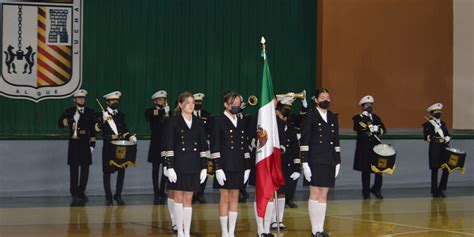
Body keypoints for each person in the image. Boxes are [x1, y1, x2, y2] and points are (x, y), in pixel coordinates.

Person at [163, 91, 209, 237]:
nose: (191, 105)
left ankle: (187, 231)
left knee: (188, 199)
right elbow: (169, 145)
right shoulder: (173, 121)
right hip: (178, 165)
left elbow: (203, 146)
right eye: (188, 103)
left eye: (193, 103)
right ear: (180, 105)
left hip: (194, 165)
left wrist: (204, 167)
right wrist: (169, 167)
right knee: (178, 198)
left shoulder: (199, 122)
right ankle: (180, 230)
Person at [300, 88, 341, 237]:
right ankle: (314, 229)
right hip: (314, 160)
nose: (326, 100)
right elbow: (304, 141)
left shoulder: (333, 117)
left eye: (328, 97)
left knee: (324, 194)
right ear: (316, 100)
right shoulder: (310, 116)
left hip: (329, 160)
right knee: (315, 193)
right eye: (322, 97)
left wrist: (338, 161)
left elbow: (336, 141)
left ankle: (320, 229)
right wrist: (304, 163)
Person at [210, 91, 251, 237]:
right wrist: (218, 168)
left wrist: (247, 166)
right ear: (226, 105)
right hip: (224, 164)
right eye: (233, 103)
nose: (236, 106)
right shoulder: (218, 120)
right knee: (224, 197)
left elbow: (244, 144)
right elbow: (214, 145)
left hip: (239, 165)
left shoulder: (241, 121)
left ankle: (232, 231)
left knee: (235, 196)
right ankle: (224, 231)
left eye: (238, 103)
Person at [96, 91, 137, 206]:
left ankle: (118, 195)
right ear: (107, 102)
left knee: (121, 170)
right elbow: (96, 129)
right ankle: (108, 197)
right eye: (113, 100)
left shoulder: (121, 115)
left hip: (120, 146)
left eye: (116, 100)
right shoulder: (101, 114)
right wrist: (102, 121)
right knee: (107, 172)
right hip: (109, 146)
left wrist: (130, 137)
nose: (115, 102)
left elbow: (124, 130)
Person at [58, 89, 96, 205]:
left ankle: (81, 191)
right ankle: (74, 192)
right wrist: (71, 120)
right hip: (74, 143)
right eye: (79, 98)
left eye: (83, 98)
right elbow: (59, 123)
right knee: (74, 169)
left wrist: (92, 144)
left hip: (85, 142)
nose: (81, 100)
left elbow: (93, 130)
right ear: (74, 100)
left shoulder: (90, 112)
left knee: (85, 169)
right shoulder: (69, 111)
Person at [270, 96, 301, 230]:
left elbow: (295, 148)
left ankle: (279, 219)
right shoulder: (271, 126)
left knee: (282, 192)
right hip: (273, 163)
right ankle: (271, 219)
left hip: (286, 164)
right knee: (272, 192)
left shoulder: (290, 128)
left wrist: (296, 167)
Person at [352, 95, 387, 199]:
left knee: (379, 170)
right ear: (362, 106)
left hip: (376, 148)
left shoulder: (376, 117)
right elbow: (359, 129)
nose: (369, 106)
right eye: (367, 105)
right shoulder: (358, 118)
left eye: (371, 104)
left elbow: (383, 129)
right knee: (366, 171)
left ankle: (376, 189)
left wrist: (377, 129)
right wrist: (371, 129)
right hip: (365, 148)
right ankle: (366, 192)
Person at [145, 90, 170, 204]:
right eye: (159, 99)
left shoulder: (167, 112)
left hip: (166, 144)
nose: (162, 101)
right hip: (155, 144)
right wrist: (163, 111)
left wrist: (168, 114)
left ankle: (162, 190)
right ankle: (156, 191)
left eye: (163, 99)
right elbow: (151, 114)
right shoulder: (151, 111)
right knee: (155, 169)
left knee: (166, 169)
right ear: (155, 101)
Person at [423, 103, 451, 198]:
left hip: (444, 147)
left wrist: (447, 137)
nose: (438, 113)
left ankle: (441, 189)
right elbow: (426, 137)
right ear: (432, 113)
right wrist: (433, 132)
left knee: (446, 168)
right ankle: (435, 191)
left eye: (440, 112)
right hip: (434, 147)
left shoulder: (443, 123)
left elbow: (447, 133)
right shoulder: (428, 124)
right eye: (436, 112)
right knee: (435, 170)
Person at [192, 92, 212, 204]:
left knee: (205, 168)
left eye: (200, 102)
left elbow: (210, 129)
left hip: (204, 146)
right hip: (193, 147)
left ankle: (201, 193)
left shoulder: (207, 115)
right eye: (197, 102)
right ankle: (193, 193)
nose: (198, 104)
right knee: (194, 169)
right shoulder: (188, 114)